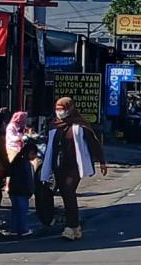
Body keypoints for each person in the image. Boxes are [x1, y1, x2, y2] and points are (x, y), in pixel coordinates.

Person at [40, 97, 108, 241]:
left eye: (62, 109)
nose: (60, 113)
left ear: (70, 109)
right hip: (58, 165)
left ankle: (71, 227)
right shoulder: (54, 125)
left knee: (69, 192)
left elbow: (93, 143)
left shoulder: (81, 126)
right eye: (57, 110)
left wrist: (102, 161)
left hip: (74, 166)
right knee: (64, 194)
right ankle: (74, 225)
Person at [7, 140, 37, 237]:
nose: (34, 157)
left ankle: (14, 229)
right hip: (23, 191)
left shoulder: (16, 161)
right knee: (23, 211)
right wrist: (31, 191)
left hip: (13, 190)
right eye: (33, 154)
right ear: (29, 153)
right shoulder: (27, 164)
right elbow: (29, 180)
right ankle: (24, 229)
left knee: (15, 211)